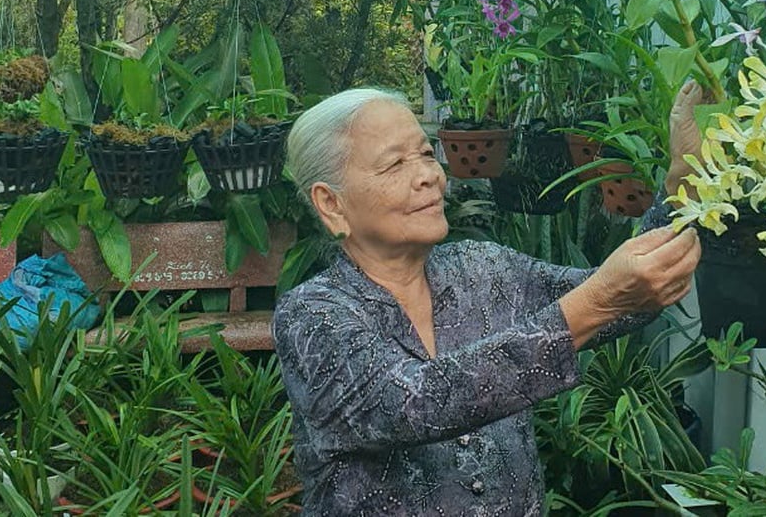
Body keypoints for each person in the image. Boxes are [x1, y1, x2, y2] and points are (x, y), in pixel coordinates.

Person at [274, 81, 710, 515]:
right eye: (394, 164)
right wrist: (596, 303)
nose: (429, 175)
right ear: (332, 205)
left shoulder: (481, 268)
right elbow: (414, 403)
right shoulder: (312, 315)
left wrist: (682, 180)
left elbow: (618, 299)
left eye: (427, 153)